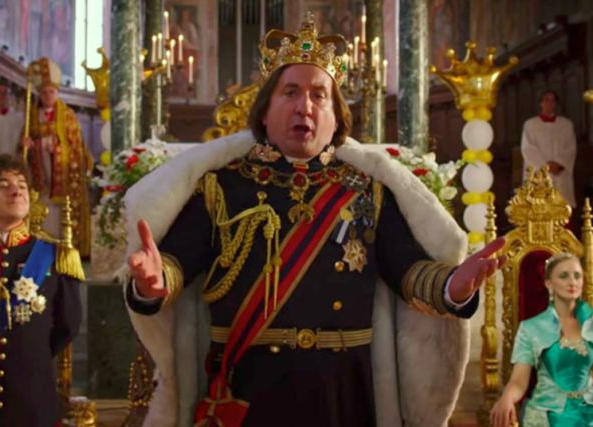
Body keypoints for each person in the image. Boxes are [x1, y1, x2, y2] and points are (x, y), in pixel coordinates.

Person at [125, 14, 505, 427]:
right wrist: (153, 281)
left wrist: (452, 286)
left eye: (319, 95)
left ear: (337, 118)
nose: (304, 106)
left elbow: (408, 270)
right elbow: (176, 263)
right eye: (290, 92)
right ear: (264, 112)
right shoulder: (220, 187)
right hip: (247, 391)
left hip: (343, 393)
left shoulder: (368, 191)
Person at [0, 153, 83, 426]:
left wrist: (30, 355)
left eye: (21, 184)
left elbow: (68, 325)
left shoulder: (55, 256)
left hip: (31, 400)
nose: (16, 190)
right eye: (3, 185)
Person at [490, 252, 593, 427]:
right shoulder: (531, 328)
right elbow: (519, 381)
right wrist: (507, 397)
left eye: (577, 276)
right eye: (564, 276)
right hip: (547, 414)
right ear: (549, 284)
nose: (572, 282)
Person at [20, 57, 92, 257]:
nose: (48, 96)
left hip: (62, 177)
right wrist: (26, 145)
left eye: (51, 92)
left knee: (61, 214)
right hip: (40, 176)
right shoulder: (32, 116)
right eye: (44, 92)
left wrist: (58, 149)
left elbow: (76, 147)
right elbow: (23, 145)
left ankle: (67, 249)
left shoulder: (68, 115)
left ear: (57, 93)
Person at [521, 90, 577, 208]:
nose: (550, 103)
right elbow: (528, 148)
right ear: (541, 103)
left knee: (561, 206)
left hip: (559, 172)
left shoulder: (566, 125)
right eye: (546, 100)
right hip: (539, 174)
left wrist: (559, 163)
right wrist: (545, 167)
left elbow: (570, 147)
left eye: (553, 100)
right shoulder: (530, 125)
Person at [0, 82, 23, 156]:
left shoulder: (15, 118)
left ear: (8, 96)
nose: (2, 95)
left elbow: (18, 139)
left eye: (5, 93)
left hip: (6, 159)